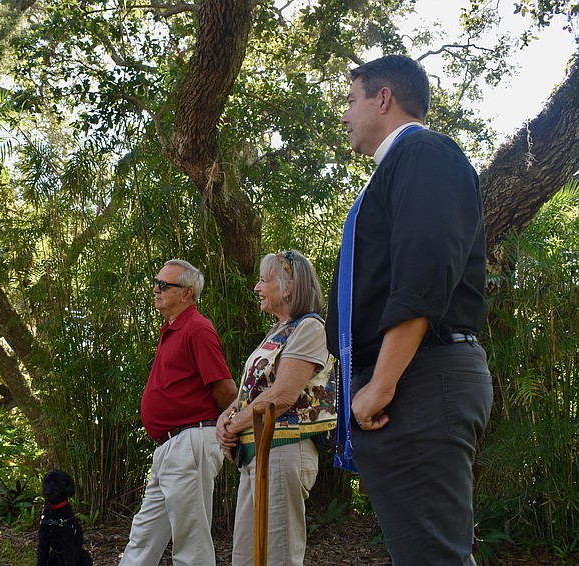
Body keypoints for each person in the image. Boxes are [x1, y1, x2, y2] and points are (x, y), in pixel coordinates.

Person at [326, 55, 493, 564]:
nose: (344, 114)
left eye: (351, 100)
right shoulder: (398, 168)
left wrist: (381, 384)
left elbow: (423, 273)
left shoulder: (424, 153)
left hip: (418, 380)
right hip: (409, 383)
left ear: (383, 98)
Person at [216, 250, 334, 566]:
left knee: (277, 556)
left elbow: (281, 395)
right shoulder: (279, 330)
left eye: (264, 280)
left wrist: (233, 422)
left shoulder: (310, 328)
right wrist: (225, 418)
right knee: (246, 556)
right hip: (258, 453)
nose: (256, 287)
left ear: (289, 287)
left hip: (283, 448)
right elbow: (253, 391)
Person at [119, 259, 237, 566]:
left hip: (191, 441)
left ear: (186, 294)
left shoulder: (197, 328)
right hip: (169, 447)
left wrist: (232, 428)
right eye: (156, 283)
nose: (155, 290)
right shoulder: (172, 329)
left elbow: (224, 389)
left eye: (163, 285)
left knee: (191, 543)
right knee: (143, 535)